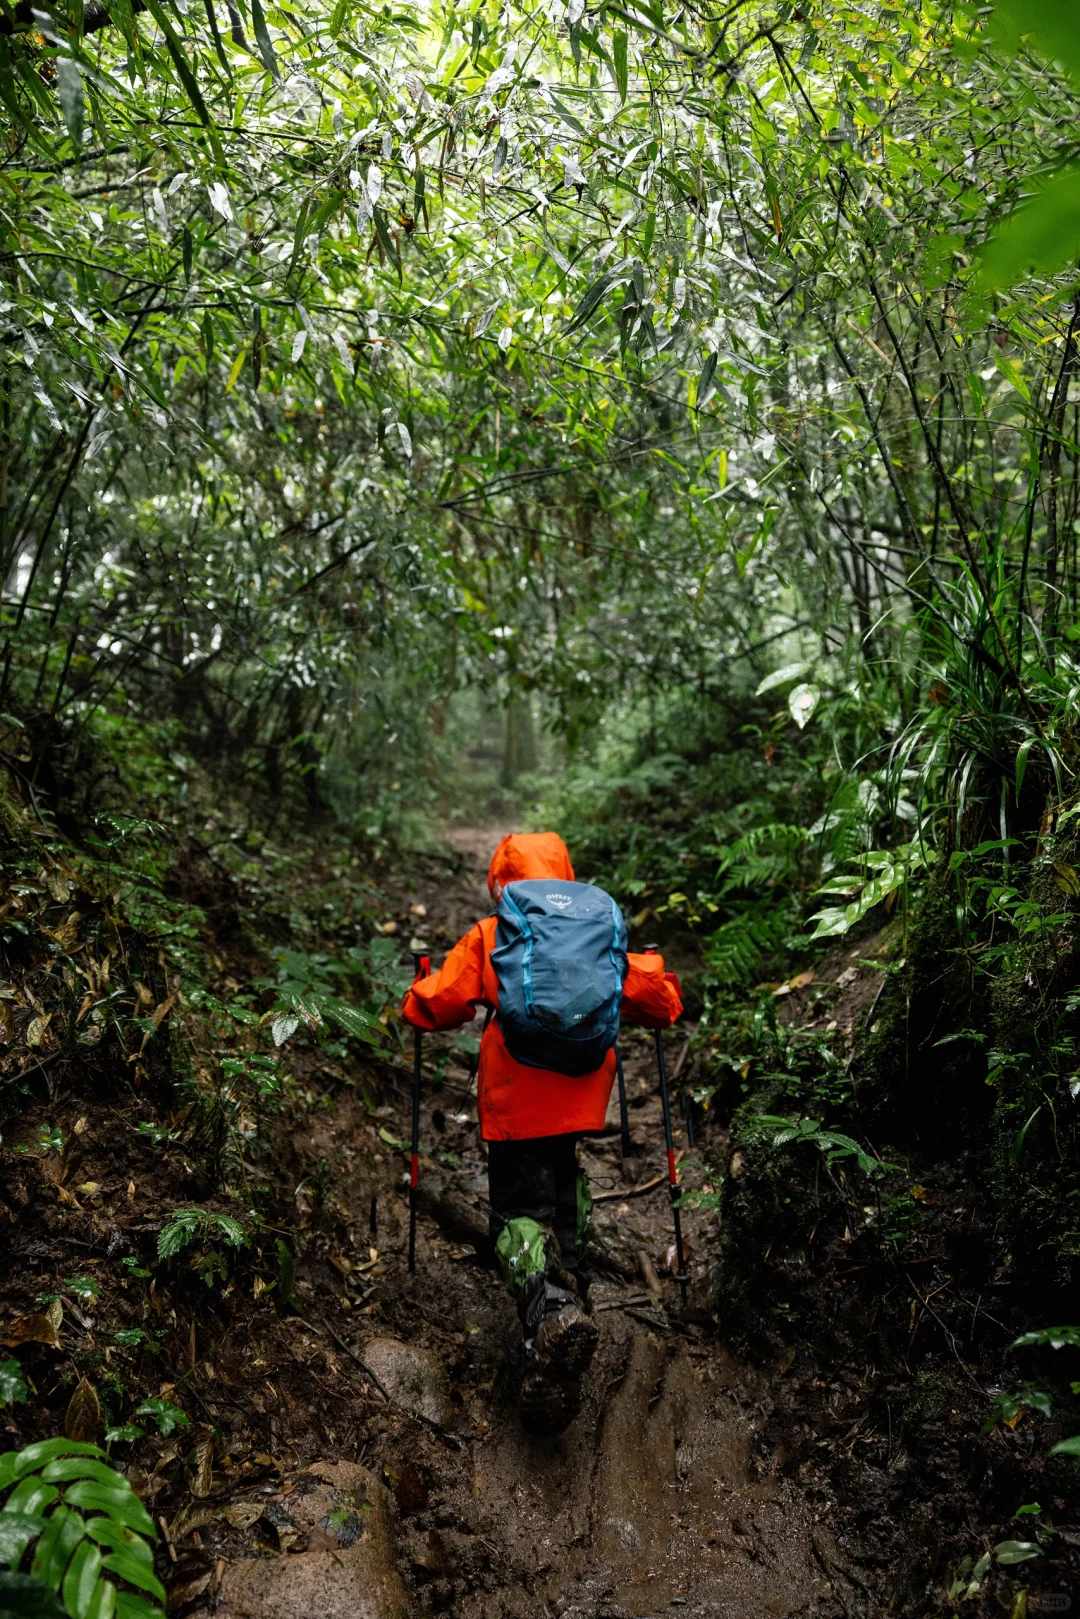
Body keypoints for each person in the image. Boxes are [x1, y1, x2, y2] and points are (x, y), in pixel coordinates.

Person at [401, 831, 682, 1430]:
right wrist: (655, 971)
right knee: (561, 1173)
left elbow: (442, 1004)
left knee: (513, 1208)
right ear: (566, 873)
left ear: (502, 879)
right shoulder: (595, 931)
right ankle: (573, 1281)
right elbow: (659, 1004)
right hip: (582, 1089)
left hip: (515, 1094)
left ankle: (547, 1309)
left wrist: (417, 990)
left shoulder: (492, 932)